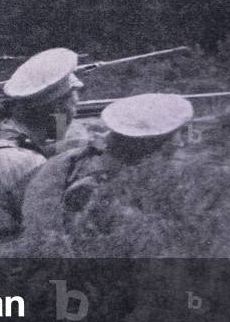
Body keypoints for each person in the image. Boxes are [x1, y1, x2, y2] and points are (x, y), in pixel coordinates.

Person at [21, 92, 194, 238]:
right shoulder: (97, 185)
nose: (179, 148)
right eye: (169, 150)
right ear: (145, 147)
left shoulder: (99, 158)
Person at [0, 48, 84, 243]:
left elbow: (56, 145)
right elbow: (52, 236)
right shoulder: (25, 161)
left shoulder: (4, 131)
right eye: (74, 106)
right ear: (57, 110)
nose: (75, 113)